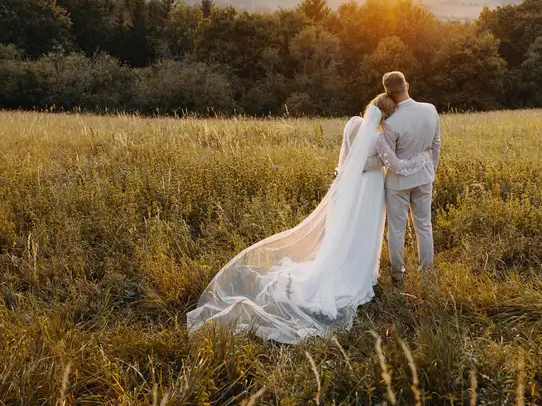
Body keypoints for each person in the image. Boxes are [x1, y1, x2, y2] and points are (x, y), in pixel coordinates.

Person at [187, 93, 431, 344]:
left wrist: (345, 175)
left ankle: (342, 261)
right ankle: (357, 272)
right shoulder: (380, 138)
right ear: (387, 115)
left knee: (347, 228)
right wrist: (421, 158)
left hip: (350, 187)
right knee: (363, 231)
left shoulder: (352, 124)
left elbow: (348, 158)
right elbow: (389, 164)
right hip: (369, 188)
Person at [378, 71, 441, 283]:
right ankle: (427, 271)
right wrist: (430, 168)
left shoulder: (390, 123)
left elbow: (390, 159)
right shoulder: (430, 109)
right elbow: (436, 144)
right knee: (424, 225)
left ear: (388, 93)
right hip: (424, 178)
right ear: (407, 84)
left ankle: (398, 272)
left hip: (397, 183)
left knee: (397, 229)